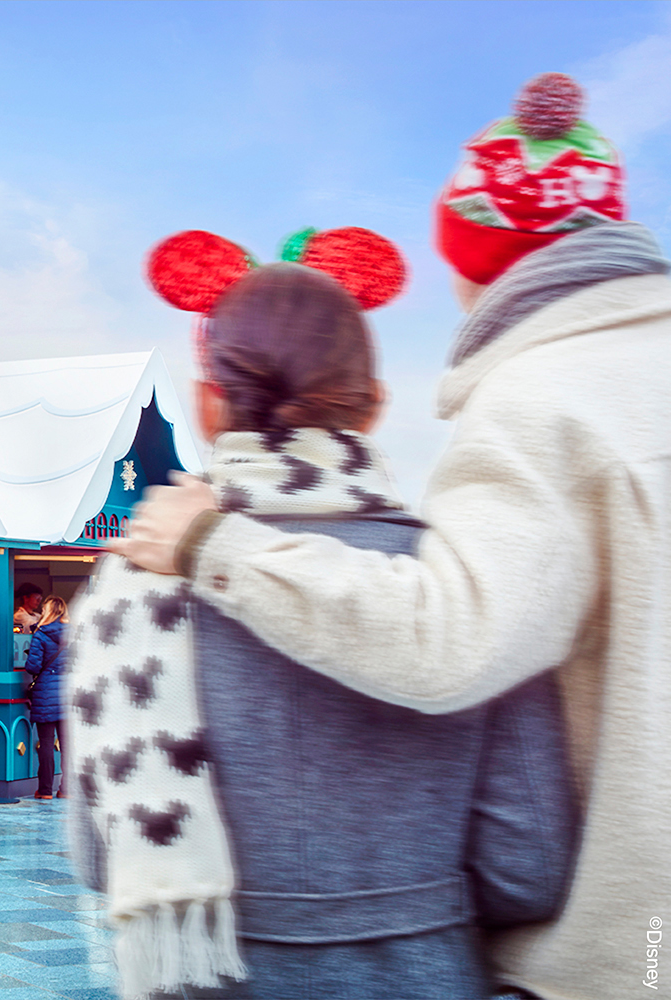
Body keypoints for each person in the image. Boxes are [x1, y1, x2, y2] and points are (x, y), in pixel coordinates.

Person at [114, 74, 667, 1000]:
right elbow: (522, 853)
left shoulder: (543, 400)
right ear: (369, 398)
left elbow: (453, 641)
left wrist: (215, 547)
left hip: (630, 950)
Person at [71, 238, 577, 999]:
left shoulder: (129, 587)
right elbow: (529, 866)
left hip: (207, 974)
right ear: (371, 404)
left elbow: (98, 857)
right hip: (422, 974)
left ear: (211, 404)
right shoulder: (460, 581)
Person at [22, 595, 69, 800]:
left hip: (46, 693)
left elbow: (33, 666)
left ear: (47, 611)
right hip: (68, 693)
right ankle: (66, 789)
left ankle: (45, 790)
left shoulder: (41, 634)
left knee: (47, 743)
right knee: (68, 744)